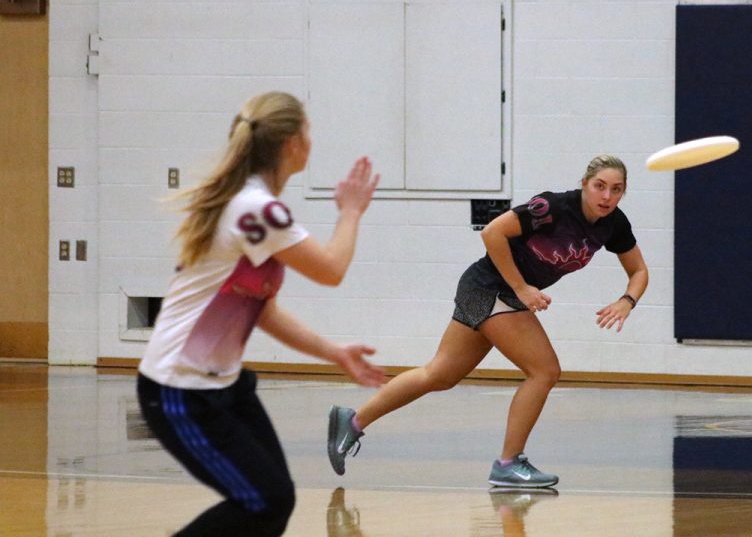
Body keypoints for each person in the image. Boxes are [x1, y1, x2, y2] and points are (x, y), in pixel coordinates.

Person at [137, 91, 385, 536]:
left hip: (223, 384)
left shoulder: (250, 202)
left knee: (274, 501)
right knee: (261, 502)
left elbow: (262, 310)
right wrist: (350, 213)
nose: (312, 140)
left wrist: (332, 351)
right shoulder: (257, 209)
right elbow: (331, 269)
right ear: (293, 144)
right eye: (308, 131)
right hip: (179, 389)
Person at [327, 155, 649, 488]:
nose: (607, 196)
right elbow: (493, 233)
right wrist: (522, 287)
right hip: (490, 288)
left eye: (616, 189)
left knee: (439, 374)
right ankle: (508, 463)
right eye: (600, 186)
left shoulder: (614, 224)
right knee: (545, 371)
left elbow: (639, 271)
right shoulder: (553, 207)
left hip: (494, 293)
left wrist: (627, 301)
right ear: (584, 184)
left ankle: (351, 422)